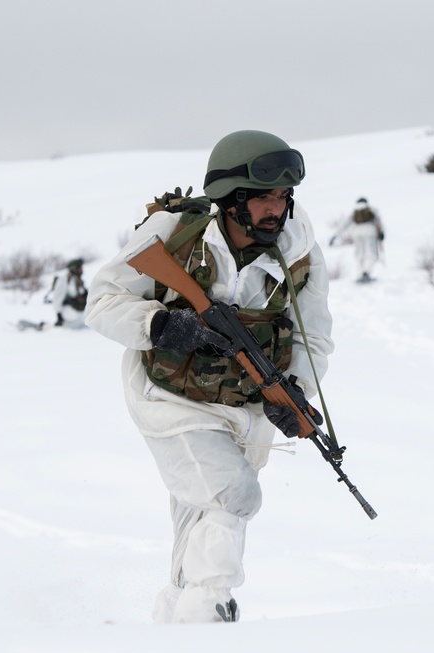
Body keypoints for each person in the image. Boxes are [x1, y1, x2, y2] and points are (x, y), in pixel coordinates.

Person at [85, 130, 334, 623]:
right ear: (231, 197)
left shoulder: (301, 255)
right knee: (234, 496)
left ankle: (176, 618)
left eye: (284, 197)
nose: (276, 209)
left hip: (245, 408)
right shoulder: (174, 232)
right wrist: (161, 324)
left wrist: (295, 393)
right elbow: (102, 301)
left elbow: (314, 338)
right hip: (169, 398)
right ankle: (210, 616)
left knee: (202, 516)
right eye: (264, 196)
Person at [329, 196, 385, 282]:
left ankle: (360, 275)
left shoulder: (355, 212)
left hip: (356, 232)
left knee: (359, 254)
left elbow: (345, 224)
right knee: (371, 254)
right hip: (370, 231)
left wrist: (335, 236)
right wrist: (381, 233)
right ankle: (366, 272)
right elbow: (378, 221)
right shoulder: (371, 210)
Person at [48, 257, 88, 327]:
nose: (82, 269)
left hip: (78, 309)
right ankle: (51, 328)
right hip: (68, 310)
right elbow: (57, 298)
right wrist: (59, 315)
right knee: (74, 321)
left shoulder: (78, 280)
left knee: (84, 321)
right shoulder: (64, 280)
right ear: (74, 268)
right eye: (79, 267)